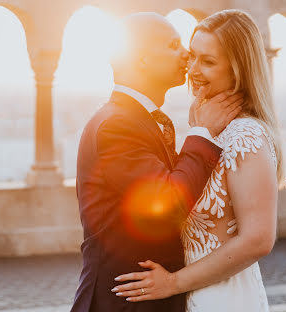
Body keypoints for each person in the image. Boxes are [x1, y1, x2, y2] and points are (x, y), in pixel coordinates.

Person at [112, 9, 284, 312]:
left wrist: (174, 283)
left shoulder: (245, 133)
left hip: (224, 298)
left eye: (208, 62)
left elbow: (258, 239)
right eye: (192, 56)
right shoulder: (206, 128)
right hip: (191, 293)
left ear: (238, 69)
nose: (192, 69)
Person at [70, 12, 242, 312]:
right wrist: (202, 134)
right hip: (123, 302)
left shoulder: (140, 120)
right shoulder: (116, 125)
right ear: (143, 59)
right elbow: (169, 202)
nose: (186, 53)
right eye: (173, 45)